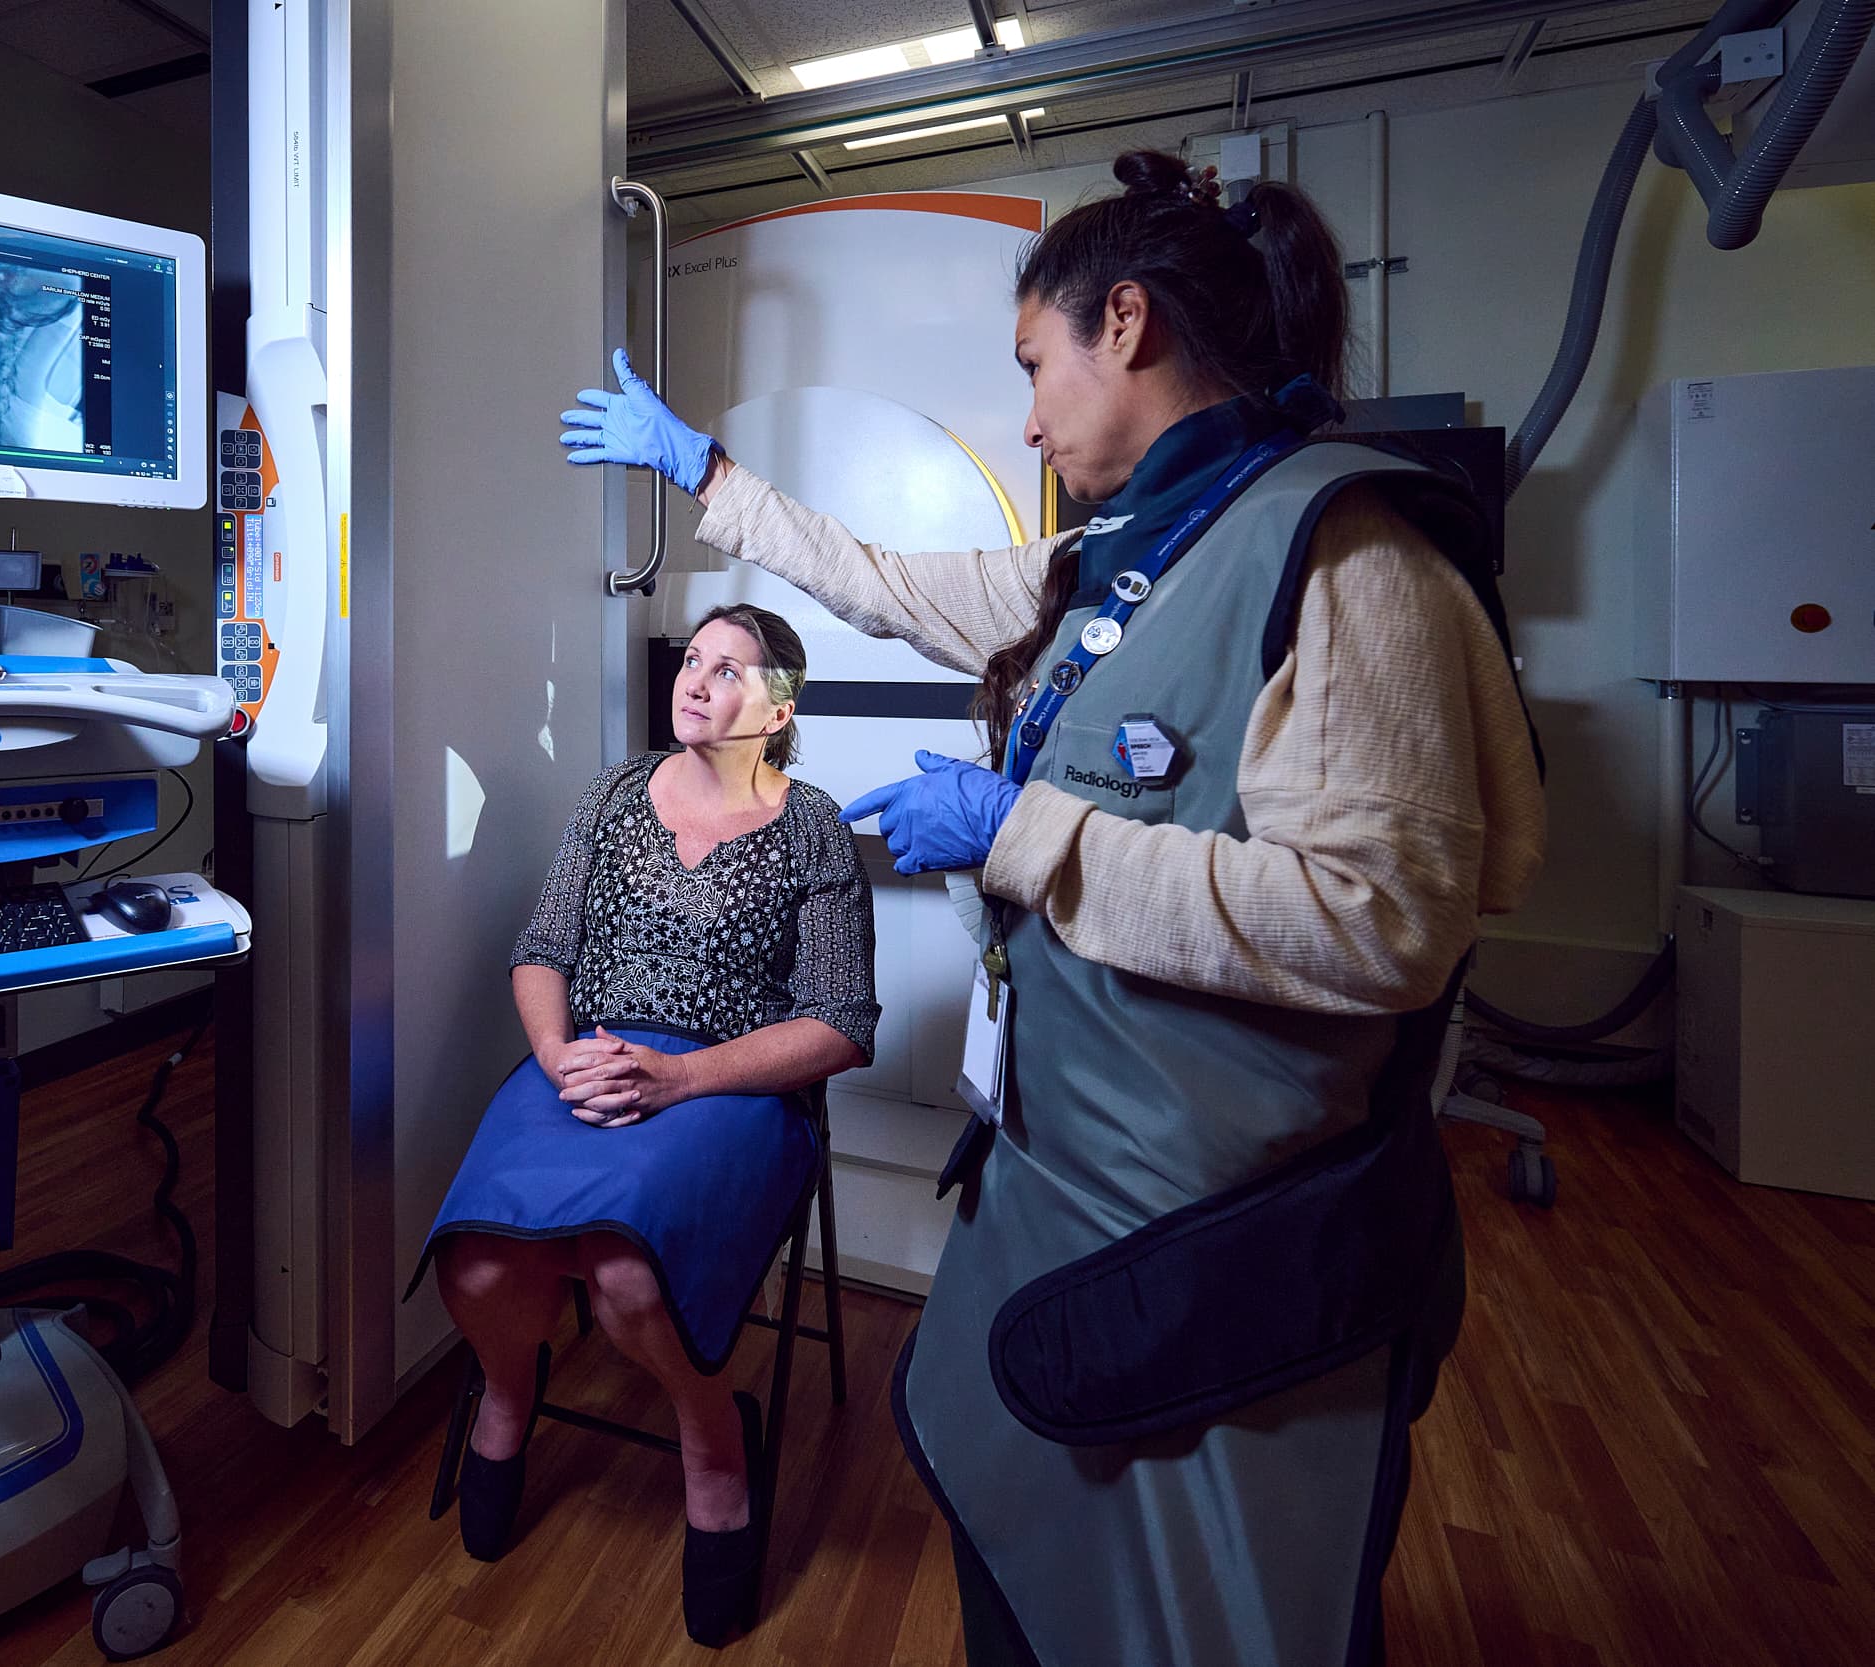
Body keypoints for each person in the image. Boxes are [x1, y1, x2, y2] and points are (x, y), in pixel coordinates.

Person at [558, 151, 1545, 1667]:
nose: (1025, 415)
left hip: (1229, 1241)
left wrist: (1029, 830)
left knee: (1212, 1611)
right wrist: (704, 472)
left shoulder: (1342, 556)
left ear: (1127, 323)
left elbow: (1386, 921)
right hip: (1065, 1188)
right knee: (1026, 1553)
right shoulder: (1115, 563)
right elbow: (883, 579)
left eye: (1035, 364)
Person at [411, 604, 878, 1647]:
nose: (697, 680)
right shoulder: (615, 793)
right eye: (693, 660)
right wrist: (553, 1055)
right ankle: (504, 1391)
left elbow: (842, 1024)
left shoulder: (812, 825)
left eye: (731, 669)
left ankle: (713, 1437)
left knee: (629, 1277)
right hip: (587, 1059)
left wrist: (679, 1079)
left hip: (729, 1087)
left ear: (779, 704)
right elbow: (542, 947)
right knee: (479, 1266)